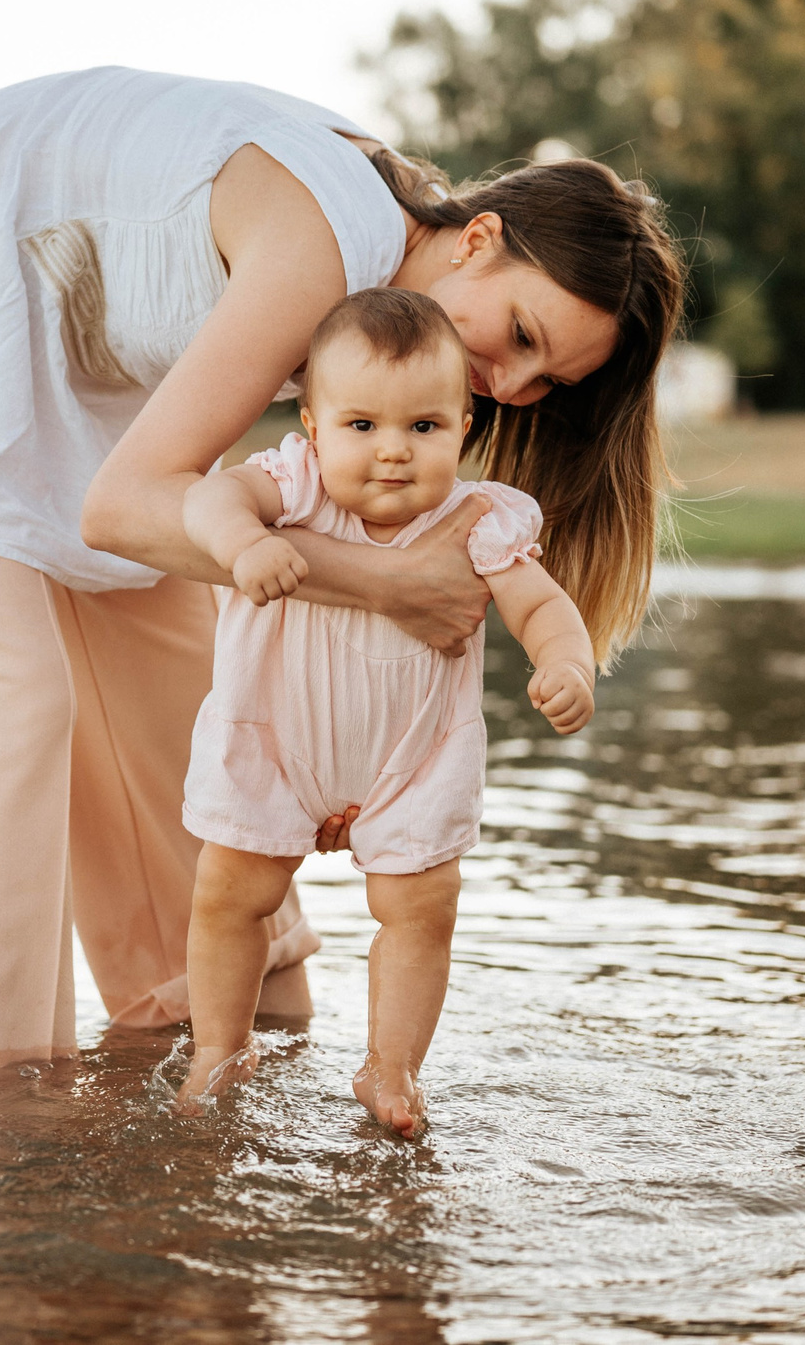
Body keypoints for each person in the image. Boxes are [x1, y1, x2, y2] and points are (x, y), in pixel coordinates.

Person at [0, 66, 682, 1075]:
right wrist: (384, 581)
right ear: (478, 238)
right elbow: (122, 508)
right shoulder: (329, 242)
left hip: (72, 349)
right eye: (523, 335)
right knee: (5, 699)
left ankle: (225, 1034)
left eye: (545, 380)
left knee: (190, 695)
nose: (513, 387)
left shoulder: (384, 300)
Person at [176, 288, 596, 1135]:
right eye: (363, 427)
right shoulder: (291, 486)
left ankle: (391, 1066)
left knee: (424, 907)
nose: (394, 452)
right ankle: (218, 1049)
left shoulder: (479, 519)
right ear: (316, 425)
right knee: (229, 895)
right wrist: (247, 543)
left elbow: (542, 603)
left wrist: (566, 660)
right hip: (276, 744)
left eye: (424, 427)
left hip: (414, 758)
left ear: (464, 427)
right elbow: (206, 500)